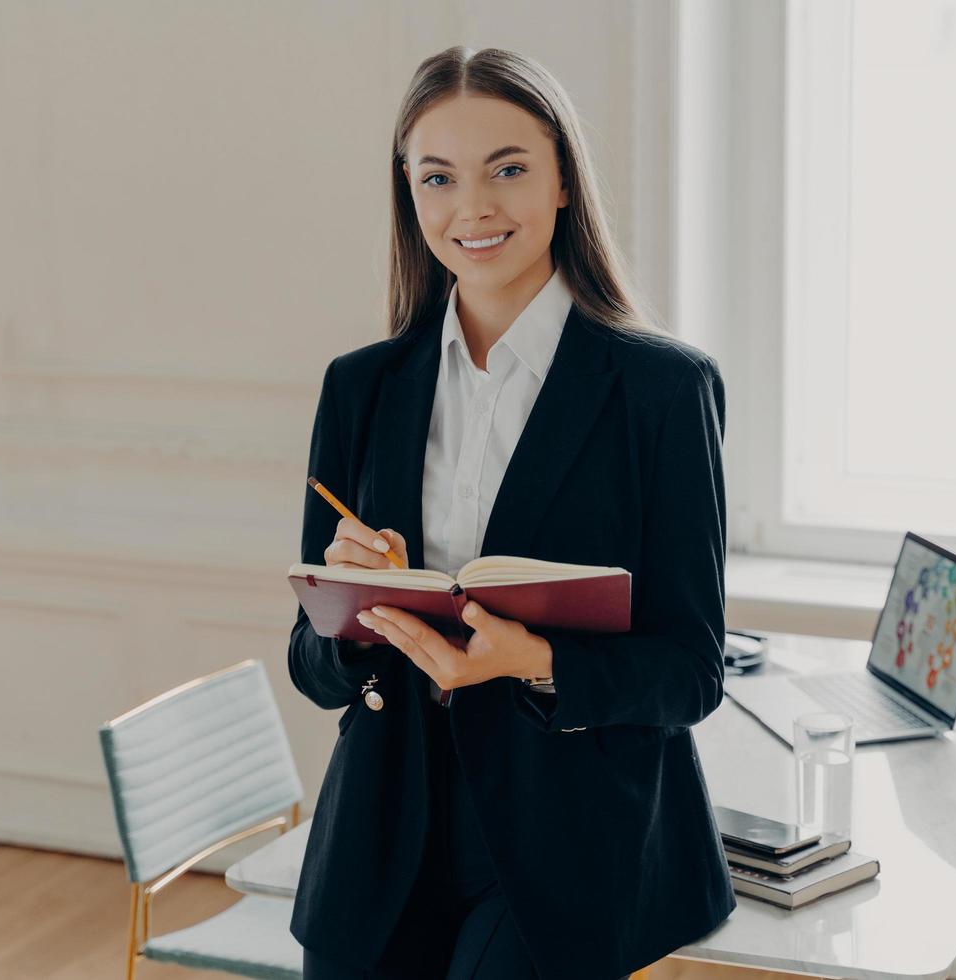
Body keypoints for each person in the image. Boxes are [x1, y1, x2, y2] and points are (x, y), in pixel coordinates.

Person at [287, 44, 735, 980]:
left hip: (568, 842)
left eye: (509, 169)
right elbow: (313, 667)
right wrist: (355, 619)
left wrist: (531, 660)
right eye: (438, 177)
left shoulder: (660, 391)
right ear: (409, 195)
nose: (473, 207)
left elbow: (690, 673)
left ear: (564, 180)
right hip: (383, 834)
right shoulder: (361, 389)